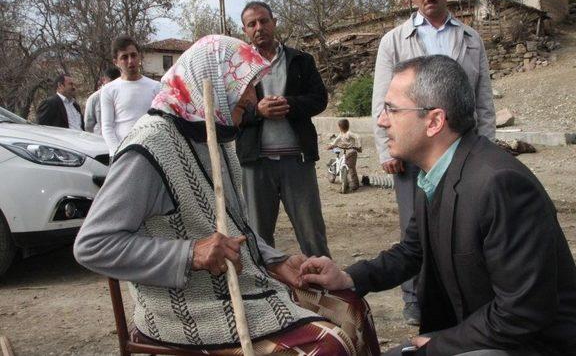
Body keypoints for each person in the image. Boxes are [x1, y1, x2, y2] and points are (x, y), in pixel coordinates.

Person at [73, 35, 379, 355]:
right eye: (243, 84)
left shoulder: (212, 137)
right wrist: (190, 253)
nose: (250, 96)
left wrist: (276, 261)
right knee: (327, 347)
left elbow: (233, 227)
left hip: (242, 291)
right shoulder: (147, 149)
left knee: (352, 309)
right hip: (187, 310)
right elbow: (92, 246)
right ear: (213, 83)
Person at [300, 55, 576, 356]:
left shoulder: (500, 185)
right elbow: (412, 251)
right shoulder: (435, 169)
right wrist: (348, 278)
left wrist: (440, 346)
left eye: (391, 109)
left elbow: (523, 310)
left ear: (434, 121)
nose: (381, 121)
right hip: (489, 329)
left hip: (541, 343)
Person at [372, 0, 496, 324]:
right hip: (414, 153)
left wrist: (486, 146)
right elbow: (383, 99)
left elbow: (483, 99)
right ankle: (416, 302)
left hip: (461, 147)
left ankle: (465, 300)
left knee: (464, 224)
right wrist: (386, 148)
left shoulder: (470, 39)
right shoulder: (394, 41)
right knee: (416, 230)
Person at [236, 1, 331, 257]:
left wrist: (289, 104)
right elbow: (229, 113)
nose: (259, 28)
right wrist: (258, 112)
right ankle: (267, 291)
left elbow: (319, 99)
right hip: (256, 163)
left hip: (297, 160)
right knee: (258, 237)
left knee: (312, 234)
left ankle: (328, 290)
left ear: (274, 23)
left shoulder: (300, 60)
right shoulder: (237, 68)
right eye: (252, 24)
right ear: (244, 30)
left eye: (264, 21)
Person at [101, 35, 161, 156]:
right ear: (116, 62)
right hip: (121, 154)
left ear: (139, 56)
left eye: (133, 55)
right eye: (124, 57)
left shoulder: (156, 87)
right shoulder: (109, 90)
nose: (130, 61)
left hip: (151, 154)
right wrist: (118, 152)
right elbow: (107, 127)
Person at [84, 66, 121, 135]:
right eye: (111, 82)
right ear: (103, 80)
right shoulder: (94, 98)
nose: (113, 85)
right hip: (101, 139)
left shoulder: (123, 95)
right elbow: (88, 125)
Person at [327, 119, 362, 191]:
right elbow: (336, 140)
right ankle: (347, 180)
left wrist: (359, 146)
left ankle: (355, 184)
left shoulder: (349, 133)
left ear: (340, 126)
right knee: (348, 166)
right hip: (345, 151)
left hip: (352, 152)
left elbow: (358, 137)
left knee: (351, 168)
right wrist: (331, 145)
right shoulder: (341, 134)